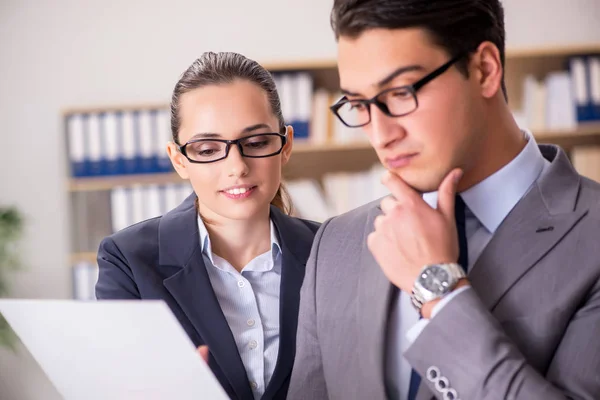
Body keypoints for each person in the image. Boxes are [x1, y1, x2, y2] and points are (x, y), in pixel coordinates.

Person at [288, 1, 600, 399]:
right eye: (359, 104)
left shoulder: (592, 235)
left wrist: (438, 290)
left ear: (484, 69)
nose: (381, 134)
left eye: (400, 93)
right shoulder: (337, 243)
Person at [96, 51, 320, 400]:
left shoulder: (330, 249)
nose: (237, 167)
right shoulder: (127, 261)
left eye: (257, 142)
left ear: (285, 145)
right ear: (179, 159)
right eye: (207, 149)